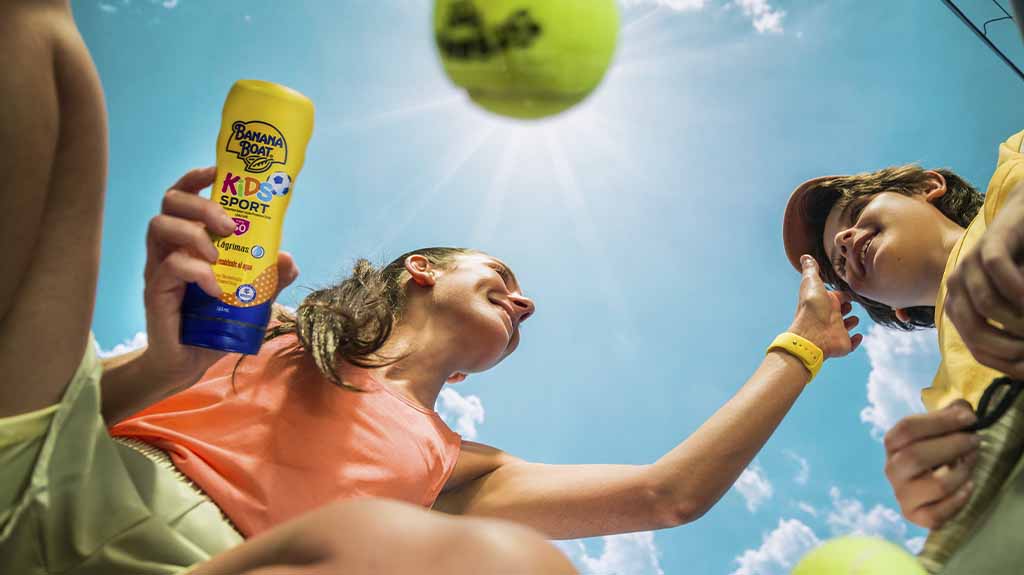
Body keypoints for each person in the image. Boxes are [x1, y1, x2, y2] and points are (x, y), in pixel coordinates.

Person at [0, 2, 862, 574]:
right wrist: (161, 366)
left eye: (521, 300)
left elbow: (666, 493)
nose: (523, 302)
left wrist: (805, 346)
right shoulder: (270, 318)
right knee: (35, 29)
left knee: (513, 564)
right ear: (423, 270)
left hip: (218, 564)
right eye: (504, 276)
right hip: (54, 463)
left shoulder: (458, 468)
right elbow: (94, 403)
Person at [781, 128, 1024, 572]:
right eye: (839, 262)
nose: (845, 240)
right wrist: (932, 493)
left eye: (856, 212)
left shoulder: (1012, 176)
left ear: (928, 187)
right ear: (897, 311)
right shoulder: (942, 400)